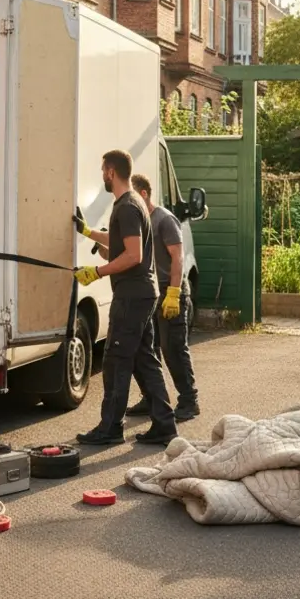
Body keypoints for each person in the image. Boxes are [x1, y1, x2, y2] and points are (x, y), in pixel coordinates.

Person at [70, 150, 177, 446]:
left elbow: (133, 254)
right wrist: (88, 232)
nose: (102, 175)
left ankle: (110, 428)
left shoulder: (128, 206)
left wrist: (97, 271)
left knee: (117, 360)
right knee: (144, 360)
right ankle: (165, 425)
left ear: (111, 171)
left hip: (131, 296)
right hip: (142, 295)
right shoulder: (132, 203)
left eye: (103, 170)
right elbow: (119, 241)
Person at [123, 173, 199, 421]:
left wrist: (175, 293)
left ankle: (189, 401)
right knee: (145, 350)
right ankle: (151, 397)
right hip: (151, 293)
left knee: (173, 349)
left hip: (171, 291)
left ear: (144, 194)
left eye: (133, 197)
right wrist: (89, 233)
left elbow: (177, 257)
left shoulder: (165, 219)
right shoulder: (140, 221)